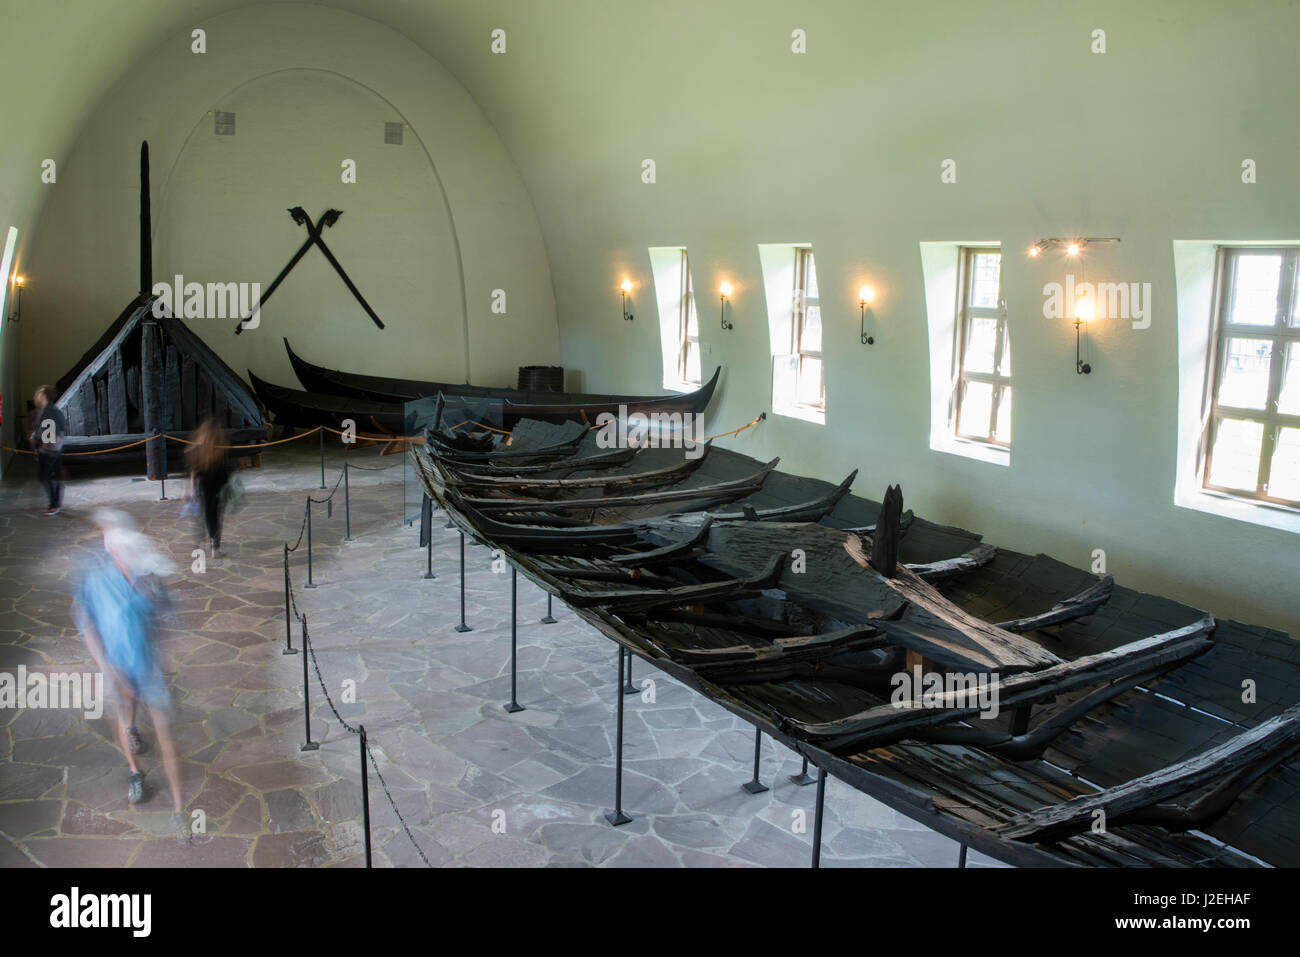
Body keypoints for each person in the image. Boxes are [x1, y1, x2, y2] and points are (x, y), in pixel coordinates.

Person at [72, 509, 187, 839]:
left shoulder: (148, 577)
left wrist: (166, 653)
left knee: (167, 734)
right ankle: (136, 772)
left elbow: (167, 619)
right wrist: (106, 667)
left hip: (148, 667)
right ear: (114, 550)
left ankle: (179, 808)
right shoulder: (95, 578)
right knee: (124, 716)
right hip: (118, 666)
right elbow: (87, 623)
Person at [185, 418, 232, 557]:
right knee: (214, 518)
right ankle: (215, 548)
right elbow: (226, 471)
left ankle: (199, 545)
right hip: (217, 488)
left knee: (200, 517)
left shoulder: (196, 449)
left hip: (202, 487)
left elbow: (193, 471)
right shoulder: (221, 450)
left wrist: (190, 489)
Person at [29, 385, 66, 515]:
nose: (35, 397)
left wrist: (36, 441)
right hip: (50, 450)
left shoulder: (50, 412)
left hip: (49, 451)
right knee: (49, 477)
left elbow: (48, 434)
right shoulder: (47, 410)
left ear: (44, 396)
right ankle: (55, 502)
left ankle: (54, 505)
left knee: (48, 477)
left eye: (37, 395)